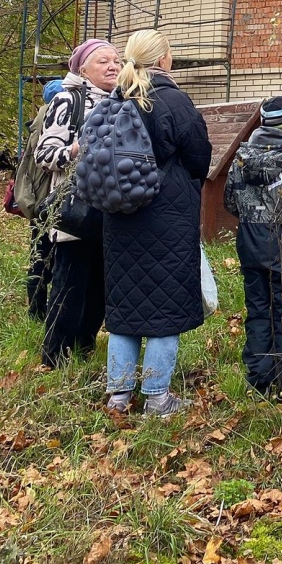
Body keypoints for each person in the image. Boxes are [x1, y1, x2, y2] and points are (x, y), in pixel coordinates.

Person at [103, 29, 212, 417]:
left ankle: (118, 397)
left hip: (118, 218)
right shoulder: (173, 101)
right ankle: (157, 397)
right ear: (164, 59)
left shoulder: (116, 99)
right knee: (165, 311)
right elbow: (201, 159)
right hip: (167, 217)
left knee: (125, 310)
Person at [35, 40, 120, 367]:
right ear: (82, 68)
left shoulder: (121, 101)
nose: (112, 66)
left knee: (99, 288)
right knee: (69, 287)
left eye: (116, 60)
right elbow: (45, 154)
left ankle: (83, 350)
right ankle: (54, 357)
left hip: (109, 211)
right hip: (75, 211)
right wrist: (76, 150)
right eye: (103, 61)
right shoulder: (67, 100)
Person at [224, 94, 282, 397]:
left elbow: (230, 200)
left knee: (257, 308)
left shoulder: (242, 155)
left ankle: (259, 376)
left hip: (249, 239)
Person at [25, 77, 64, 321]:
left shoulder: (38, 121)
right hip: (49, 200)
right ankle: (42, 313)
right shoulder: (50, 121)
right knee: (47, 257)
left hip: (40, 199)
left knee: (39, 257)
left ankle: (36, 311)